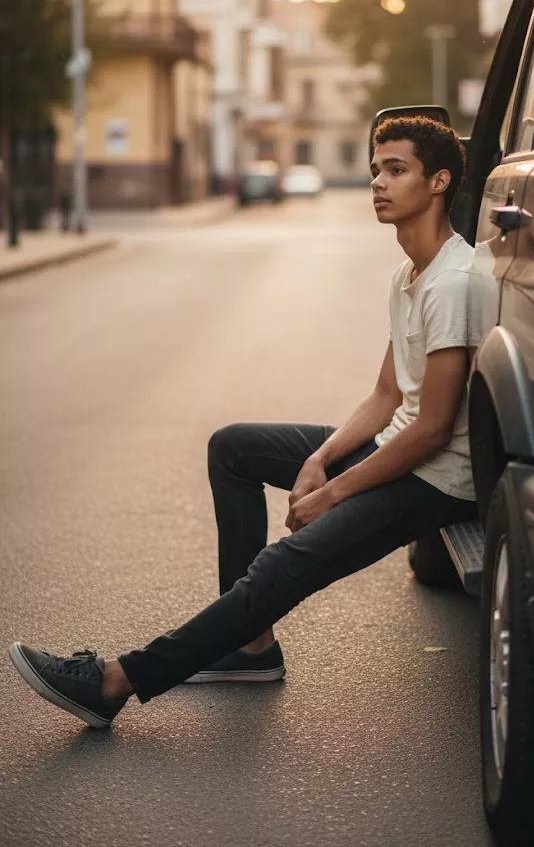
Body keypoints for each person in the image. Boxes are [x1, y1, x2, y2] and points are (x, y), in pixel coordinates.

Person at [9, 115, 478, 729]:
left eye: (396, 170)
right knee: (233, 448)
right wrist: (320, 458)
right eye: (374, 170)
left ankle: (113, 682)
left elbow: (433, 430)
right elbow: (388, 393)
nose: (378, 184)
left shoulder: (453, 283)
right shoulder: (409, 275)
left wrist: (332, 493)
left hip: (435, 479)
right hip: (398, 447)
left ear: (439, 180)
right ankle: (251, 647)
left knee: (281, 566)